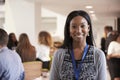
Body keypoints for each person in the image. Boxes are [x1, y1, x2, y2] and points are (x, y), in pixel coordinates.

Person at [50, 10, 107, 80]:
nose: (79, 30)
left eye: (82, 26)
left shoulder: (98, 55)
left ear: (88, 28)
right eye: (74, 27)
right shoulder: (59, 54)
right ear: (69, 29)